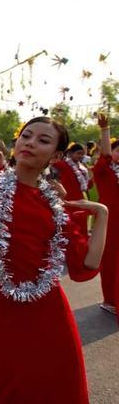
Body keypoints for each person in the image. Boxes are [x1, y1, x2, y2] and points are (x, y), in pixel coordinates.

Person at [0, 71, 108, 403]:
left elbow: (85, 264)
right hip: (3, 308)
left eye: (43, 140)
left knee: (59, 380)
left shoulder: (56, 206)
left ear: (56, 156)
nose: (30, 143)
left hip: (49, 309)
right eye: (27, 136)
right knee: (10, 381)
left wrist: (102, 214)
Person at [93, 113, 119, 317]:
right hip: (110, 221)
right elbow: (106, 155)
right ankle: (110, 300)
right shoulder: (103, 170)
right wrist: (105, 130)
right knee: (110, 260)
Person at [53, 142, 93, 234]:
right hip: (68, 201)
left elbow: (89, 186)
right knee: (70, 229)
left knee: (82, 228)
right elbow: (52, 162)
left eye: (83, 154)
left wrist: (89, 173)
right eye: (78, 153)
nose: (81, 156)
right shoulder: (62, 165)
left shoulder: (83, 168)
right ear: (70, 153)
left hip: (81, 201)